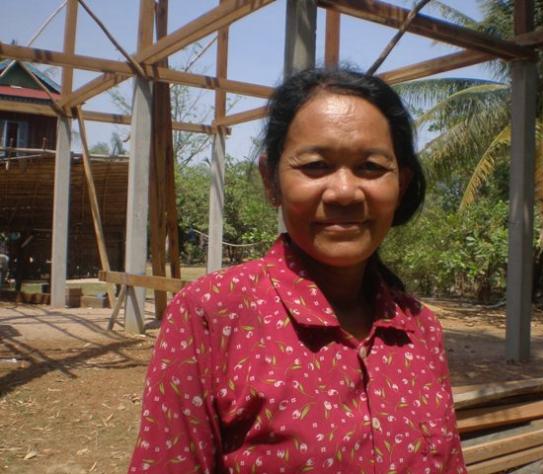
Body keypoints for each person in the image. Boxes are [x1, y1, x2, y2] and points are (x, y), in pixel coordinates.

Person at [129, 68, 465, 473]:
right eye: (316, 165)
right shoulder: (212, 316)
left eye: (371, 167)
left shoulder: (419, 329)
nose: (344, 191)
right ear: (271, 181)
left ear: (402, 185)